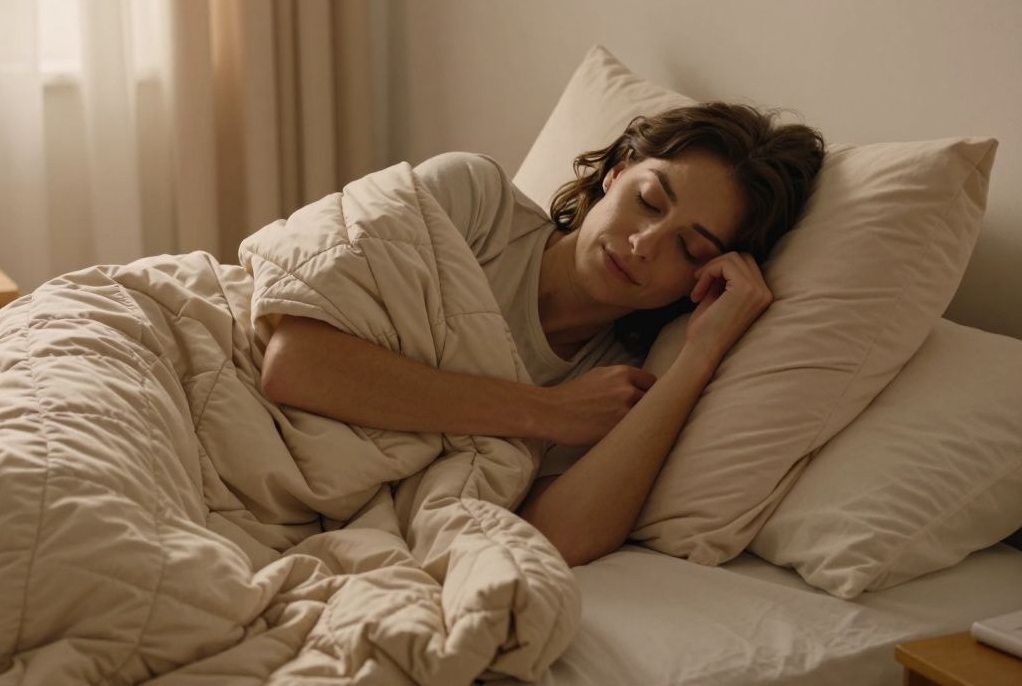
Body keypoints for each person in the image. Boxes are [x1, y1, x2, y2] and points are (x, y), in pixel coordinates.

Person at [259, 102, 826, 568]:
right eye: (649, 201)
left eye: (690, 249)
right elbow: (293, 364)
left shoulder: (612, 381)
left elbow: (556, 537)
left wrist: (699, 358)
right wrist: (542, 411)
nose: (645, 243)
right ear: (619, 169)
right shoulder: (475, 203)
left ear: (701, 278)